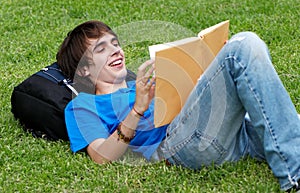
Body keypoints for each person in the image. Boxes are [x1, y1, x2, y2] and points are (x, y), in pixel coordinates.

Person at [56, 20, 300, 192]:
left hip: (229, 131)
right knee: (244, 45)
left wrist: (210, 72)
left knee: (286, 123)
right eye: (101, 48)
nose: (115, 50)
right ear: (84, 69)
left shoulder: (140, 84)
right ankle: (294, 176)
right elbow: (101, 157)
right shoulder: (82, 105)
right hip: (182, 146)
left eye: (114, 43)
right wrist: (138, 109)